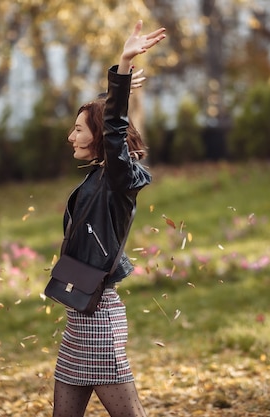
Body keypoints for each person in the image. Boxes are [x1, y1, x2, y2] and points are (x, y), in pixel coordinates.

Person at [52, 20, 166, 417]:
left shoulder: (119, 178)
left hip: (98, 315)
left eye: (79, 129)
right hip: (79, 314)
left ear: (99, 135)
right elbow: (109, 123)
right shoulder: (101, 176)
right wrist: (115, 87)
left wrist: (122, 65)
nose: (71, 136)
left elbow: (114, 132)